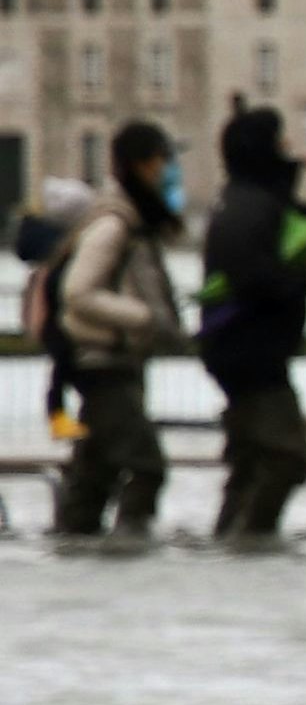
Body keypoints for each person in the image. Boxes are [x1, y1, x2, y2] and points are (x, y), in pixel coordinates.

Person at [197, 106, 306, 539]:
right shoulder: (249, 205)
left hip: (245, 349)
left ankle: (231, 536)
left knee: (251, 458)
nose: (289, 148)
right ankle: (249, 538)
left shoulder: (259, 197)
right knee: (287, 455)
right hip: (248, 350)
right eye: (280, 140)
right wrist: (300, 280)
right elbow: (252, 276)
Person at [52, 121, 184, 537]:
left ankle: (75, 553)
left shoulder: (131, 221)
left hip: (114, 362)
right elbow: (78, 292)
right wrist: (141, 317)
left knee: (95, 474)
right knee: (146, 466)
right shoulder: (114, 224)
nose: (167, 172)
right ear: (142, 165)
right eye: (163, 161)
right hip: (102, 363)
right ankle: (128, 557)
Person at [16, 175, 94, 434]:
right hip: (57, 316)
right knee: (65, 366)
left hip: (55, 315)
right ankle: (59, 414)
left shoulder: (54, 245)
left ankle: (63, 414)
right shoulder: (60, 247)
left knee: (65, 367)